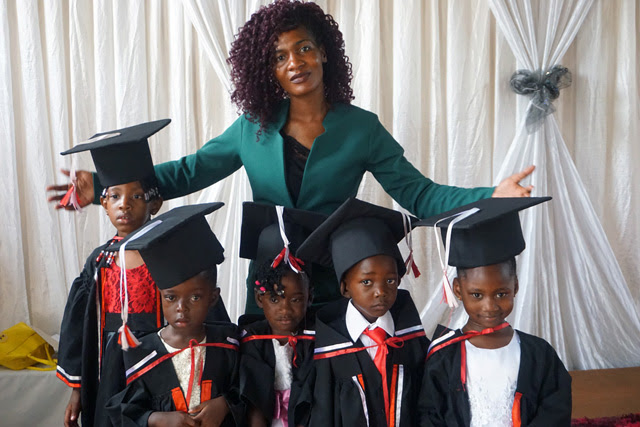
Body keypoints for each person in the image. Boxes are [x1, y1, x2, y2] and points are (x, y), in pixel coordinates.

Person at [47, 0, 536, 313]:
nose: (294, 62)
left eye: (303, 49)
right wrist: (103, 187)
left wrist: (493, 194)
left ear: (323, 53)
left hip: (335, 275)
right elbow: (189, 172)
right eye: (280, 57)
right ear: (270, 72)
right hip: (271, 276)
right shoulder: (251, 129)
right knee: (267, 382)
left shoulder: (361, 128)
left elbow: (419, 193)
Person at [415, 197, 572, 426]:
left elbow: (555, 411)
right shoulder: (443, 357)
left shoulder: (539, 355)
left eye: (501, 294)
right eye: (477, 295)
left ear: (515, 287)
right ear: (458, 290)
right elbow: (429, 416)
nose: (490, 306)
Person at [56, 120, 168, 427]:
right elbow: (79, 330)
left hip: (160, 369)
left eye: (136, 196)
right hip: (109, 373)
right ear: (103, 203)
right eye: (115, 196)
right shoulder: (99, 262)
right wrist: (77, 393)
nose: (124, 206)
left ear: (154, 202)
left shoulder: (170, 254)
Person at [105, 203, 243, 426]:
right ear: (160, 297)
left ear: (213, 297)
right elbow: (121, 411)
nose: (182, 307)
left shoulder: (229, 344)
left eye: (195, 297)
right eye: (171, 297)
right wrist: (156, 418)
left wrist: (225, 404)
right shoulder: (141, 354)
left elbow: (249, 393)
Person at [296, 198, 429, 426]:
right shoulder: (326, 352)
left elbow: (429, 406)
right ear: (345, 288)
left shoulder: (412, 340)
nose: (381, 292)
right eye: (367, 282)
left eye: (390, 280)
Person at [237, 202, 322, 426]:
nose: (285, 309)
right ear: (258, 298)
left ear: (309, 297)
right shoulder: (251, 339)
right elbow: (252, 404)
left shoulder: (319, 338)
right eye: (274, 299)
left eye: (296, 299)